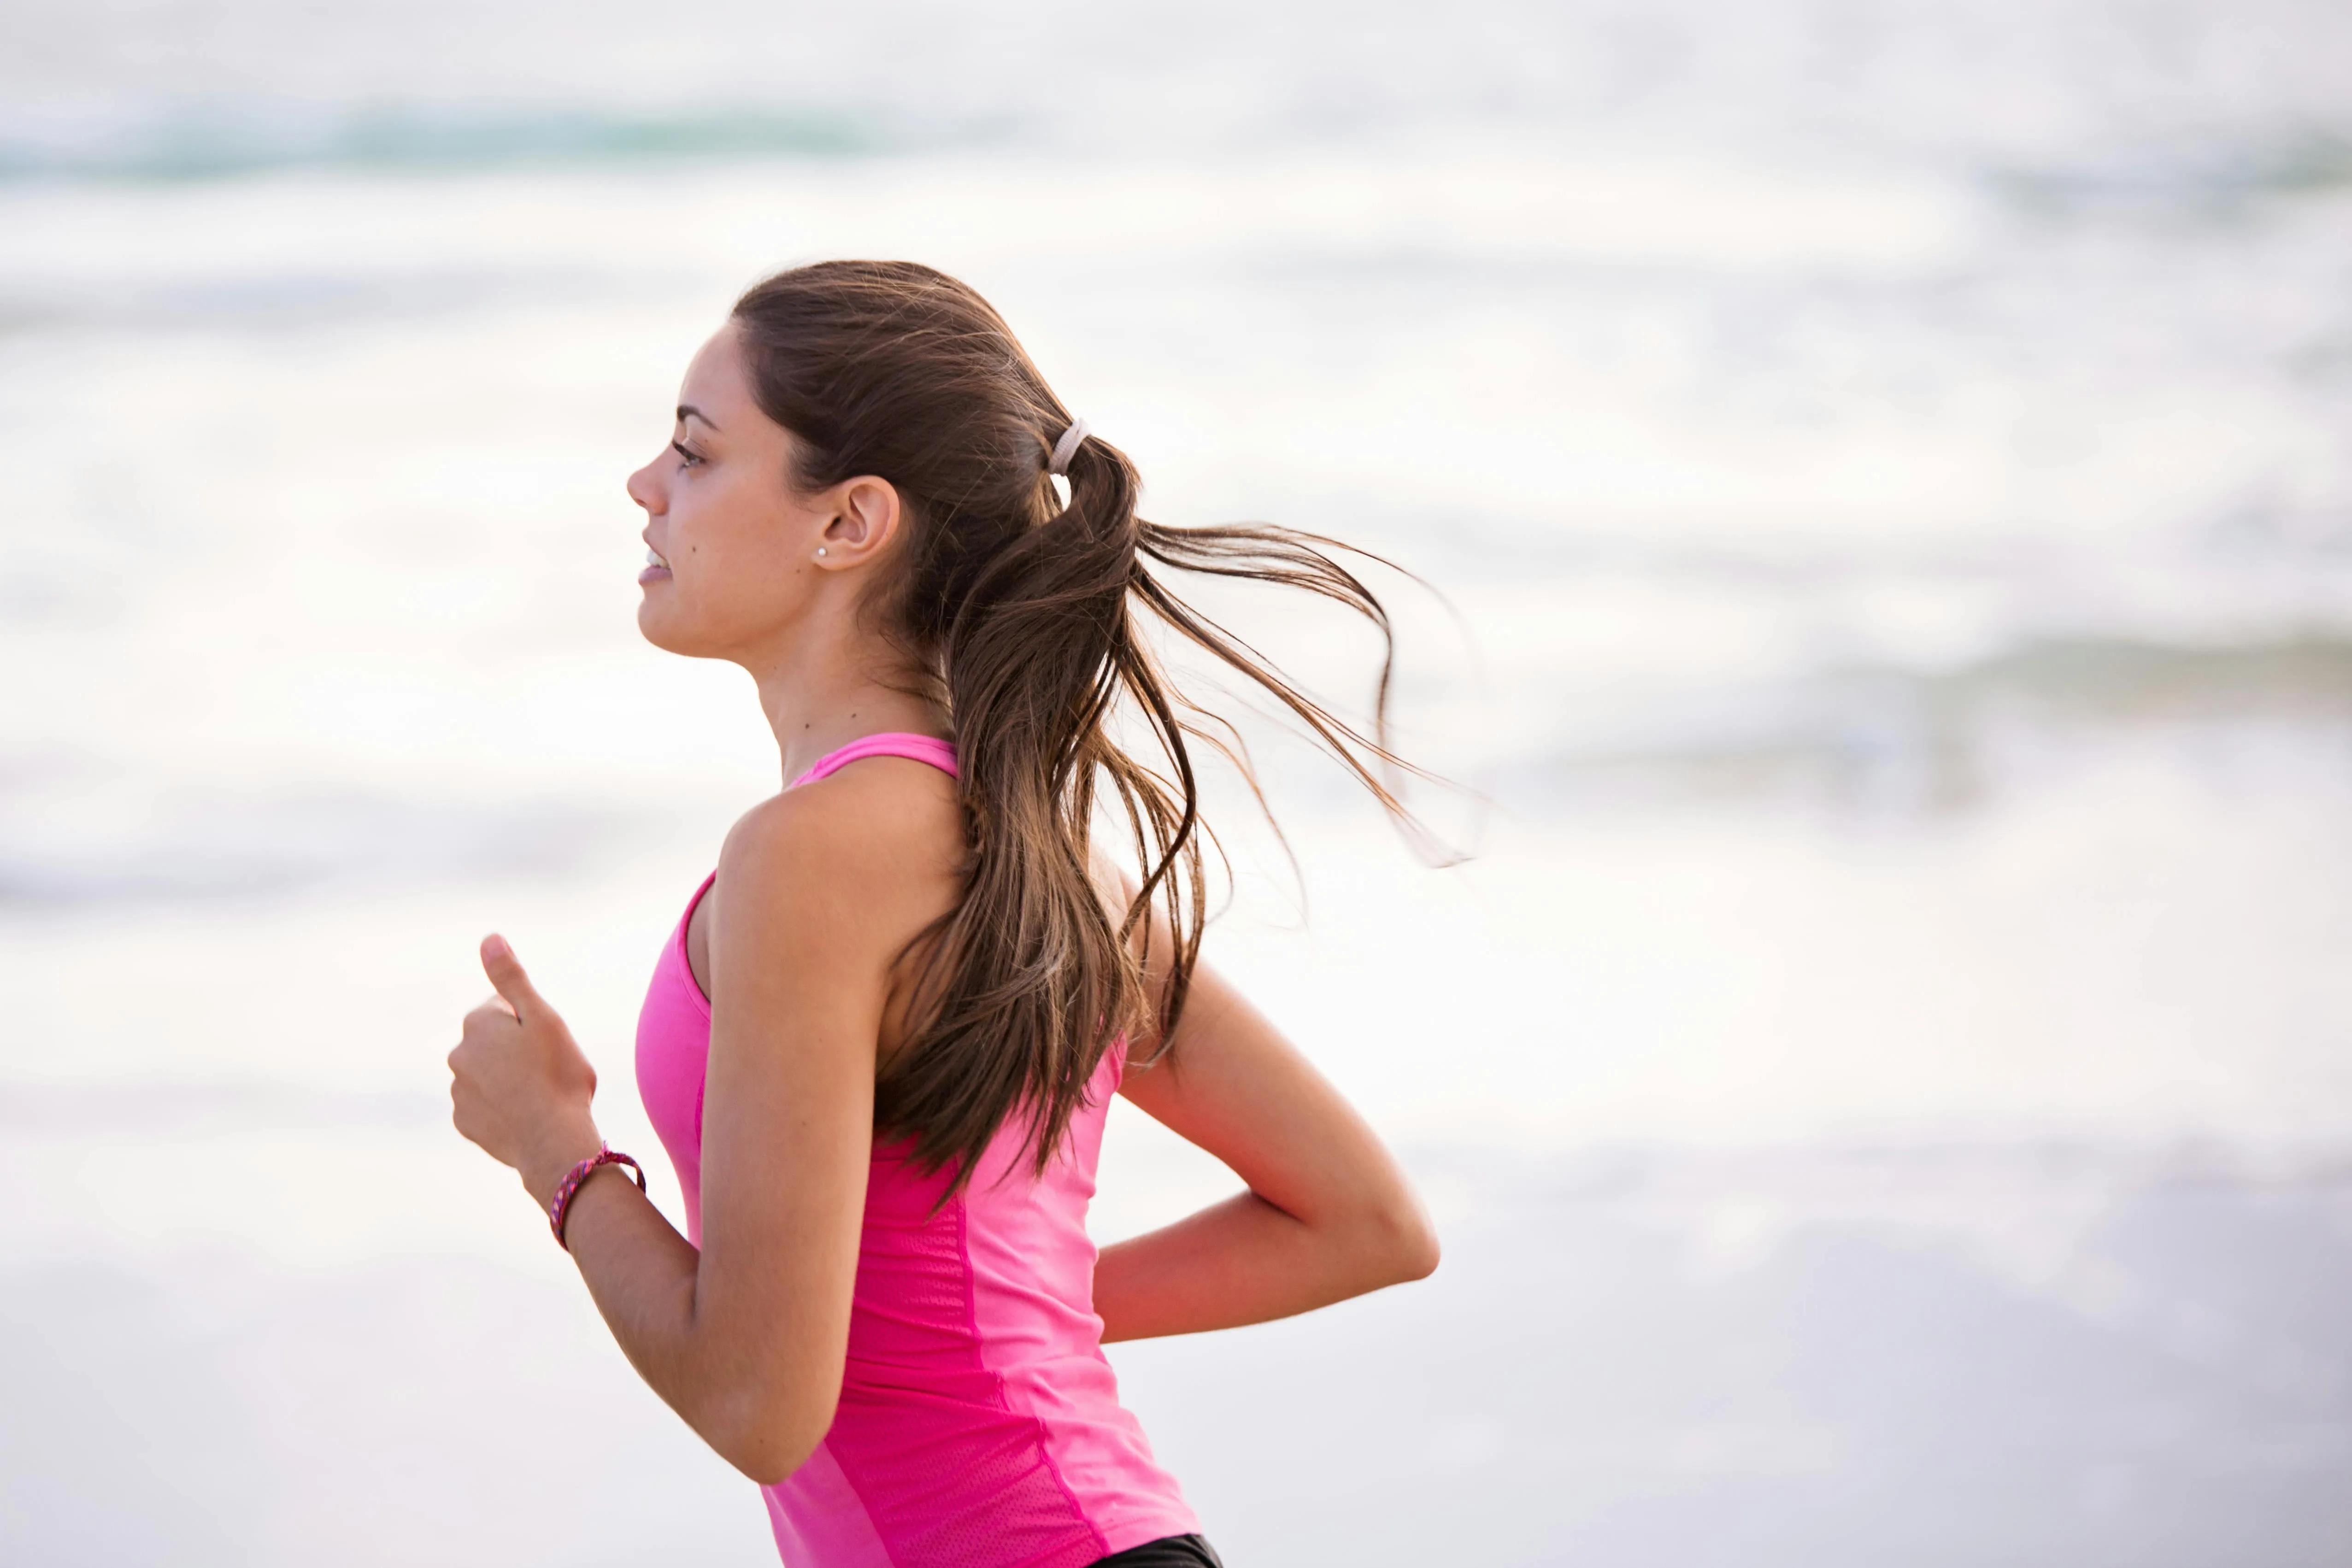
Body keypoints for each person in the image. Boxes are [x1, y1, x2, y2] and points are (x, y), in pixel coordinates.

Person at [446, 259, 1441, 1568]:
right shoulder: (1025, 844)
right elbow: (1363, 1223)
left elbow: (757, 1408)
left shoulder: (810, 857)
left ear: (848, 524)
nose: (645, 486)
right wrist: (988, 1328)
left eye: (695, 453)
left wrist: (555, 1152)